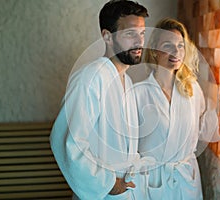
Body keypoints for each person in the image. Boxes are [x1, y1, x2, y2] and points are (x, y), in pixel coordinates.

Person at [49, 1, 148, 199]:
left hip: (126, 191)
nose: (139, 41)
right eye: (130, 34)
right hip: (104, 192)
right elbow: (65, 140)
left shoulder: (126, 81)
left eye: (142, 33)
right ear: (107, 36)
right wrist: (108, 183)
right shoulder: (90, 78)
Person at [134, 18, 220, 199]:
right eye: (168, 45)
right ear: (154, 50)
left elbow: (203, 133)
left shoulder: (191, 90)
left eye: (180, 45)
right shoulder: (139, 94)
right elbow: (128, 146)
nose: (176, 51)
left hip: (187, 180)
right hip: (153, 182)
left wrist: (216, 109)